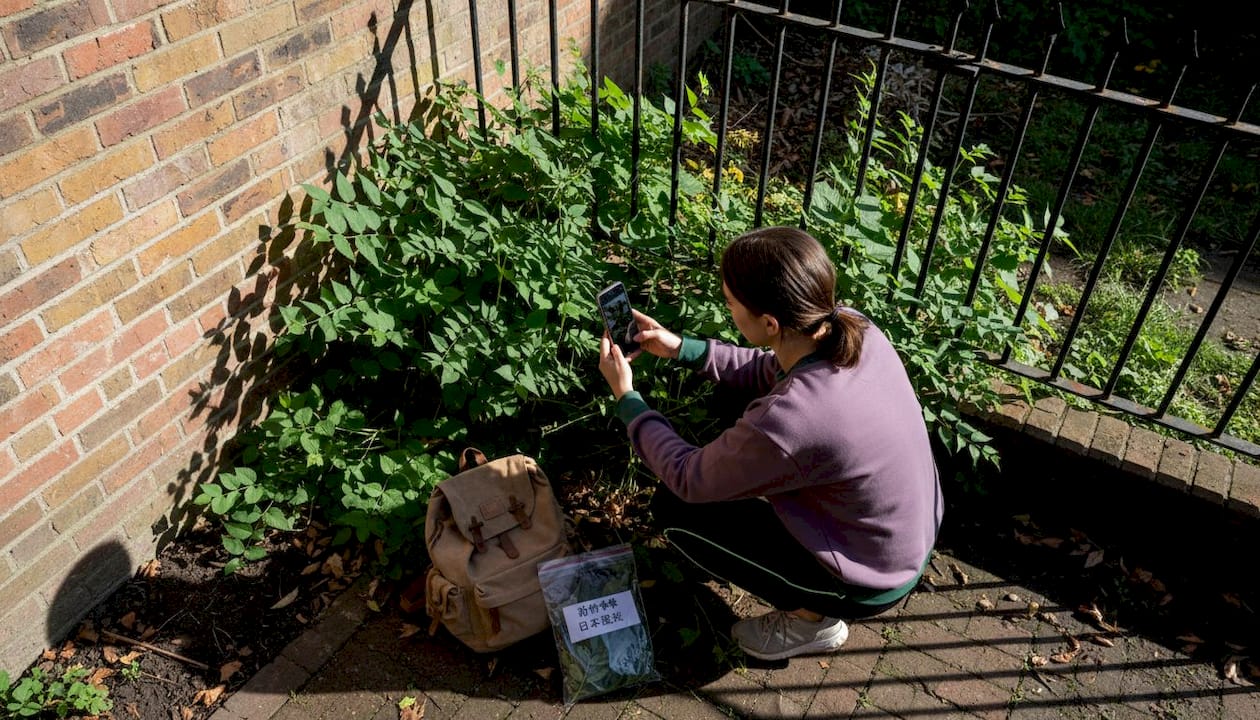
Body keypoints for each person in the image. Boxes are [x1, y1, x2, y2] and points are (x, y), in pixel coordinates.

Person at [597, 226, 942, 661]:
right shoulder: (852, 328)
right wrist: (682, 348)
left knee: (674, 509)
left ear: (770, 322)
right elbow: (770, 367)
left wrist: (627, 399)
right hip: (904, 534)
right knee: (731, 413)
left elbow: (687, 477)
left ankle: (811, 619)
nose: (727, 307)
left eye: (730, 302)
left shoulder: (792, 418)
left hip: (869, 580)